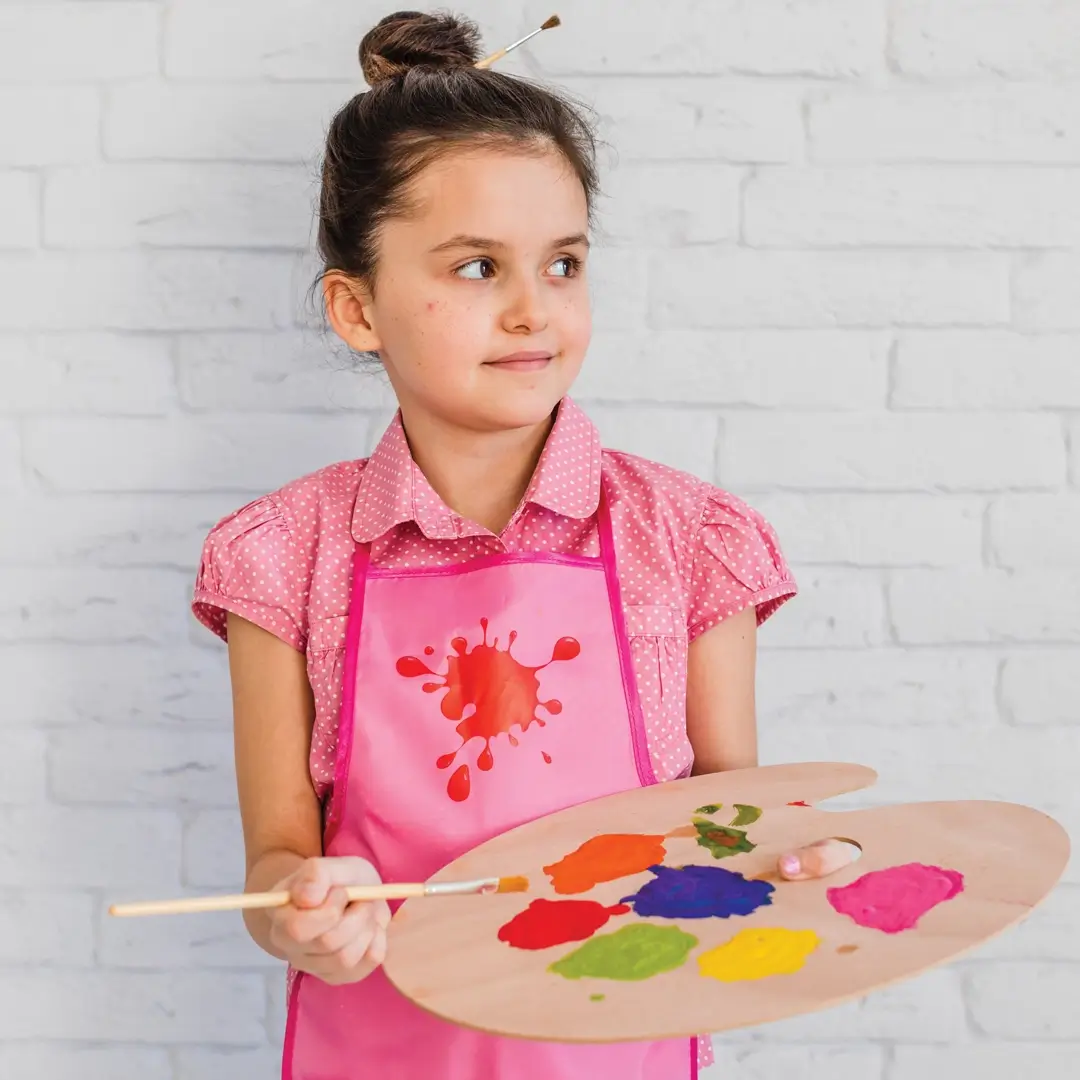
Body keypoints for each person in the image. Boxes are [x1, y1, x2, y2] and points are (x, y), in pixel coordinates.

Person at [192, 10, 858, 1079]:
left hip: (617, 1043)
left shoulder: (690, 538)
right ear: (356, 309)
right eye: (473, 269)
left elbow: (733, 818)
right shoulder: (284, 553)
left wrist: (806, 857)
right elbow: (277, 867)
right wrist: (301, 917)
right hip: (381, 1045)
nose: (530, 313)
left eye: (562, 264)